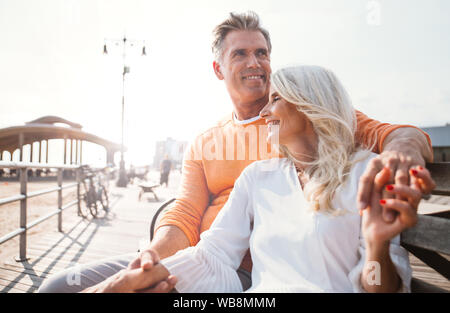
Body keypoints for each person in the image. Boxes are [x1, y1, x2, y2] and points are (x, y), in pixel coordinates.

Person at [38, 11, 434, 293]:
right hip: (210, 266)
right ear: (218, 68)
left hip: (247, 274)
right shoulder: (215, 145)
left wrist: (400, 152)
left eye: (262, 52)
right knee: (59, 286)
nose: (255, 63)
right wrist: (148, 263)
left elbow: (392, 134)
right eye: (241, 54)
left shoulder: (313, 120)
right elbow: (186, 216)